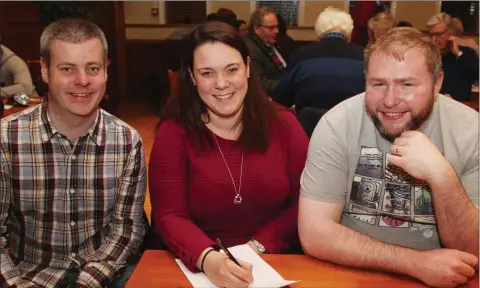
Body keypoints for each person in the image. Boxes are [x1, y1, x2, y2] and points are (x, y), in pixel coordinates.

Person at [298, 27, 478, 288]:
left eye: (407, 84)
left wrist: (442, 176)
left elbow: (473, 250)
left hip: (445, 279)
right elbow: (314, 234)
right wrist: (416, 263)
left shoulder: (471, 130)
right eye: (378, 84)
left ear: (437, 83)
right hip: (352, 273)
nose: (390, 100)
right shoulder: (337, 124)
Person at [149, 21, 308, 288]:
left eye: (231, 69)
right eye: (207, 73)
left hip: (275, 262)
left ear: (247, 67)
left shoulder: (285, 125)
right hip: (197, 267)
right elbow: (169, 215)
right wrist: (208, 258)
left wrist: (257, 247)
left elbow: (305, 201)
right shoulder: (173, 132)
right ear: (191, 75)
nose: (221, 84)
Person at [0, 18, 147, 288]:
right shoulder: (6, 139)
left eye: (92, 68)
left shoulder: (127, 141)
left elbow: (127, 231)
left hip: (105, 274)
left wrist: (86, 284)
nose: (82, 81)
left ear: (106, 71)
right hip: (28, 275)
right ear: (44, 70)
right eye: (67, 69)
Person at [273, 7, 364, 113]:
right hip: (352, 125)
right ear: (350, 32)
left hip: (308, 127)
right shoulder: (364, 57)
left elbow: (281, 99)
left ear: (318, 31)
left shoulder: (300, 56)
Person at [426, 12, 479, 102]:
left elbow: (477, 75)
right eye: (431, 35)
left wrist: (458, 53)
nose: (434, 39)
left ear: (450, 33)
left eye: (438, 34)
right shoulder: (428, 55)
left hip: (459, 107)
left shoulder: (465, 53)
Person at [245, 6, 286, 96]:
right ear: (256, 28)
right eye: (271, 28)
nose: (276, 31)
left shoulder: (270, 43)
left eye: (277, 27)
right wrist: (288, 85)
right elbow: (260, 84)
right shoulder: (251, 49)